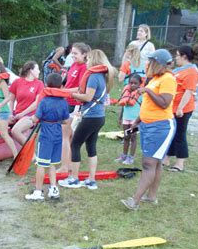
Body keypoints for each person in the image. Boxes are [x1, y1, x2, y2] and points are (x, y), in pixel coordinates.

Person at [121, 49, 176, 210]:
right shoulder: (155, 78)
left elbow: (164, 103)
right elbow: (148, 104)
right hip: (148, 124)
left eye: (152, 62)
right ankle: (151, 197)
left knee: (148, 163)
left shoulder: (168, 79)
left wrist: (148, 90)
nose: (148, 64)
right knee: (156, 162)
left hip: (161, 126)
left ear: (159, 63)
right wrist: (138, 120)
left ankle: (135, 201)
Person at [58, 49, 116, 190]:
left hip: (90, 116)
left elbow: (88, 97)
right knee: (91, 147)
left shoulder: (94, 76)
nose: (87, 61)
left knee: (75, 144)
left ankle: (74, 179)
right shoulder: (102, 76)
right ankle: (91, 180)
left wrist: (73, 95)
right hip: (98, 116)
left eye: (89, 59)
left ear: (94, 60)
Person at [24, 73, 70, 201]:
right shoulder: (64, 102)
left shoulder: (44, 101)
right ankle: (53, 189)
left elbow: (35, 118)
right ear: (61, 86)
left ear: (47, 86)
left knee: (41, 164)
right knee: (52, 164)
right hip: (57, 134)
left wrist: (30, 119)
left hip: (46, 135)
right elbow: (66, 121)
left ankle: (38, 192)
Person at [163, 45, 198, 172]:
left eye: (178, 55)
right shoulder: (181, 69)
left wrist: (180, 108)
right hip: (172, 108)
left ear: (184, 56)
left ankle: (180, 163)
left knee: (180, 134)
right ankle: (167, 158)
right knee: (171, 133)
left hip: (183, 109)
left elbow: (188, 92)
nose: (176, 57)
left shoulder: (192, 71)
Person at [59, 42, 90, 172]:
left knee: (66, 135)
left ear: (84, 55)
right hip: (67, 102)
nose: (72, 55)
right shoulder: (74, 65)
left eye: (75, 53)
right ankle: (69, 163)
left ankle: (65, 166)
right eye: (72, 53)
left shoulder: (84, 68)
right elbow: (68, 83)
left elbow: (81, 88)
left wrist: (64, 92)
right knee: (68, 135)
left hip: (75, 104)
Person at [9, 61, 45, 146]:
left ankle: (32, 156)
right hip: (16, 114)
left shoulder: (39, 84)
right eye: (37, 69)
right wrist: (10, 113)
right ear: (31, 70)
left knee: (15, 131)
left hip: (31, 116)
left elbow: (37, 103)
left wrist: (22, 114)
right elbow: (11, 100)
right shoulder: (17, 82)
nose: (39, 71)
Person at [115, 74, 143, 165]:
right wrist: (120, 118)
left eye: (135, 83)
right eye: (131, 83)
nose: (133, 85)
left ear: (140, 84)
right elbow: (123, 107)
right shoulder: (126, 93)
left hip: (135, 120)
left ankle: (131, 157)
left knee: (133, 137)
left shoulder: (141, 95)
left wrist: (140, 121)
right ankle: (124, 155)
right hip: (126, 119)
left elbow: (144, 108)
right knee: (126, 137)